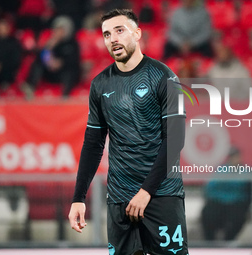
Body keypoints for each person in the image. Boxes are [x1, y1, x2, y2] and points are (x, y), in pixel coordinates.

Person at [68, 9, 189, 255]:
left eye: (120, 31)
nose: (113, 39)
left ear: (137, 34)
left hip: (161, 195)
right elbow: (93, 145)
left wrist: (146, 192)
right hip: (120, 198)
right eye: (106, 34)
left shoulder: (164, 77)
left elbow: (175, 140)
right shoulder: (100, 84)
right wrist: (78, 198)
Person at [21, 16, 80, 98]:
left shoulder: (72, 43)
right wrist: (48, 48)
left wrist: (61, 63)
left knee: (71, 72)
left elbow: (74, 60)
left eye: (62, 29)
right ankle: (30, 88)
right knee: (37, 65)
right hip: (51, 71)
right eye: (57, 29)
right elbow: (40, 58)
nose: (59, 32)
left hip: (64, 71)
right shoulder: (51, 42)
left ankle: (65, 96)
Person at [201, 147, 251, 240]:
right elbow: (210, 187)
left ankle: (228, 241)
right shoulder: (221, 169)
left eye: (237, 157)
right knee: (207, 213)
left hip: (235, 203)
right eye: (233, 157)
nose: (235, 159)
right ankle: (210, 242)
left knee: (238, 216)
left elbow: (244, 188)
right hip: (219, 201)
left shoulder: (245, 171)